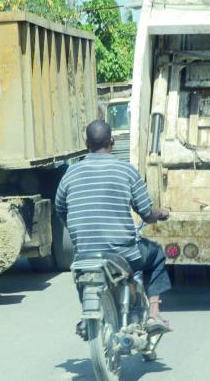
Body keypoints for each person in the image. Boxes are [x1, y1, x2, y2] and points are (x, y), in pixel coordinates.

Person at [55, 120, 172, 333]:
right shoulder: (125, 170)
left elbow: (61, 210)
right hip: (123, 253)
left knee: (82, 273)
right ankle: (154, 313)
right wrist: (160, 213)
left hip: (85, 252)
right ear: (112, 141)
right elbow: (146, 213)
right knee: (156, 255)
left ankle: (86, 314)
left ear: (86, 143)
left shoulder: (69, 175)